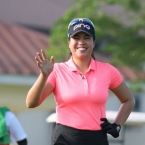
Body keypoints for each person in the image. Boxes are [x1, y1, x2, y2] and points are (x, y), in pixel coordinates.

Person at [26, 18, 135, 145]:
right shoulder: (57, 70)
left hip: (97, 139)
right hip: (65, 139)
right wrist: (43, 76)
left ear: (93, 42)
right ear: (69, 42)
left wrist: (117, 125)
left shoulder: (108, 71)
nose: (81, 42)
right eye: (76, 38)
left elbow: (129, 100)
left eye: (86, 38)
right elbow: (31, 103)